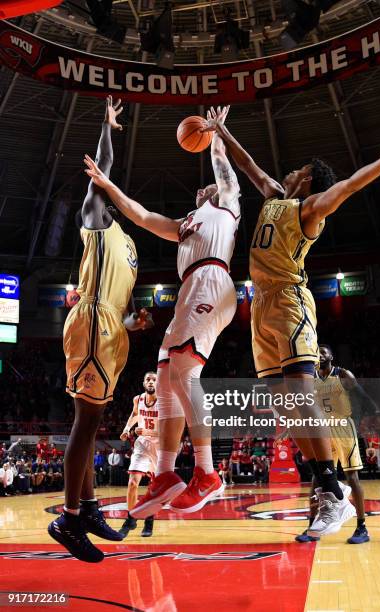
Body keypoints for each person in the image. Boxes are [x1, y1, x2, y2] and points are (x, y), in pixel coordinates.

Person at [209, 109, 380, 536]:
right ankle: (332, 490)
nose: (288, 171)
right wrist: (222, 131)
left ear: (309, 178)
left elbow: (350, 185)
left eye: (298, 168)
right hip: (260, 305)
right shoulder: (275, 194)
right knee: (283, 404)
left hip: (291, 302)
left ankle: (334, 492)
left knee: (299, 390)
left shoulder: (310, 208)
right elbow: (248, 165)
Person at [84, 106, 241, 517]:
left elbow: (223, 167)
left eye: (204, 189)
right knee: (168, 374)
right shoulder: (185, 223)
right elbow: (141, 215)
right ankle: (166, 474)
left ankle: (207, 473)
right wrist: (108, 185)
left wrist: (216, 134)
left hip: (212, 278)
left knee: (185, 370)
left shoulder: (226, 203)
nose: (200, 191)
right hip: (190, 287)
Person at [48, 96, 151, 564]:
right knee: (85, 422)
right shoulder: (95, 220)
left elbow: (121, 305)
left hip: (110, 329)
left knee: (91, 425)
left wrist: (132, 323)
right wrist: (107, 126)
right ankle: (69, 518)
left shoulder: (128, 245)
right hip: (90, 322)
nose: (106, 196)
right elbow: (103, 166)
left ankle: (87, 508)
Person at [296, 345, 378, 545]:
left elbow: (362, 395)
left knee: (352, 477)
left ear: (331, 356)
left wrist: (379, 417)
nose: (319, 354)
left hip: (343, 427)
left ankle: (361, 527)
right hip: (322, 429)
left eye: (323, 352)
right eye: (317, 352)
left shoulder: (342, 374)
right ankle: (312, 527)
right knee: (318, 478)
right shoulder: (310, 379)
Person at [119, 372, 158, 538]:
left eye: (154, 380)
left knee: (155, 488)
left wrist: (146, 430)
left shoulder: (165, 402)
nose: (151, 382)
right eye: (148, 379)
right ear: (143, 383)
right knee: (132, 483)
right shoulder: (138, 399)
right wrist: (127, 429)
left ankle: (149, 520)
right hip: (142, 444)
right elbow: (135, 415)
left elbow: (170, 430)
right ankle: (131, 518)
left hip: (161, 447)